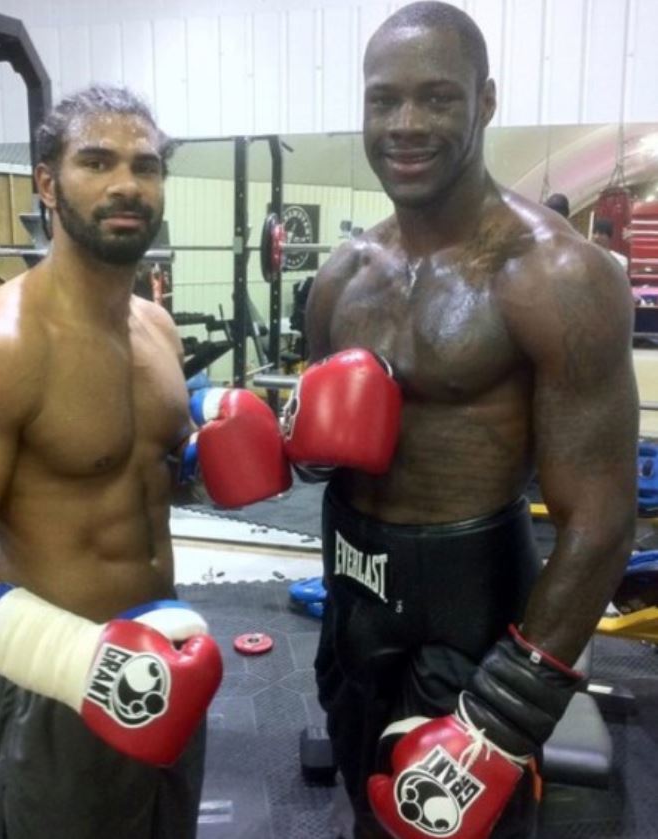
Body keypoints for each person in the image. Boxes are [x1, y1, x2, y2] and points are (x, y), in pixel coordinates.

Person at [281, 3, 638, 837]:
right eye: (383, 100)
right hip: (352, 599)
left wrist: (500, 721)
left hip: (478, 618)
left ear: (484, 101)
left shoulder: (556, 277)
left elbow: (600, 524)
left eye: (436, 98)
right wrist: (295, 445)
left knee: (459, 822)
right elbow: (318, 453)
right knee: (363, 800)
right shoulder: (340, 277)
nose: (404, 125)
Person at [0, 84, 255, 839]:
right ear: (47, 183)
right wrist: (73, 660)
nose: (126, 183)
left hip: (168, 660)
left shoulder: (156, 329)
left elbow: (147, 470)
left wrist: (222, 449)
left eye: (146, 166)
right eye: (96, 161)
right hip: (55, 686)